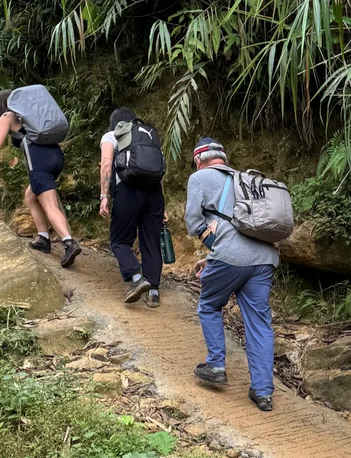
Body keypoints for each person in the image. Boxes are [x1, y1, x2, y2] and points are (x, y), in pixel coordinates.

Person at [184, 137, 279, 412]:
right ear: (222, 158)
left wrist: (216, 251)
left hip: (230, 258)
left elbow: (193, 223)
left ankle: (216, 366)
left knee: (209, 305)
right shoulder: (245, 180)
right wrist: (214, 257)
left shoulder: (199, 178)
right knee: (260, 324)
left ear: (199, 159)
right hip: (264, 259)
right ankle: (263, 392)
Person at [0, 89, 81, 267]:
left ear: (0, 105)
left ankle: (68, 242)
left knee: (49, 204)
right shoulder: (30, 114)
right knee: (31, 196)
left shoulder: (7, 116)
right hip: (55, 156)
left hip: (39, 161)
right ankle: (43, 238)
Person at [100, 107, 165, 307]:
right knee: (151, 241)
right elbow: (158, 172)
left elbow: (106, 164)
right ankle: (153, 292)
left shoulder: (112, 135)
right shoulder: (147, 136)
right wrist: (164, 207)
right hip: (153, 193)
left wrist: (104, 196)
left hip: (128, 191)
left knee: (119, 241)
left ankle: (137, 280)